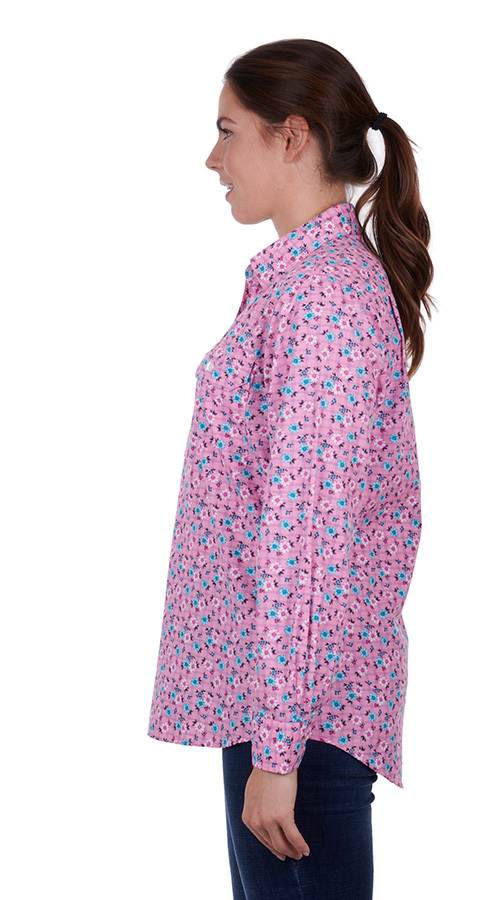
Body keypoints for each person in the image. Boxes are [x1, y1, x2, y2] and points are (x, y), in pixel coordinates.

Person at [147, 37, 435, 900]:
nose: (214, 159)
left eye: (228, 131)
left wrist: (276, 753)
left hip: (299, 726)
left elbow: (306, 541)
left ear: (292, 135)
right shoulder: (303, 285)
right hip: (282, 709)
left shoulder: (324, 299)